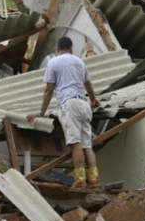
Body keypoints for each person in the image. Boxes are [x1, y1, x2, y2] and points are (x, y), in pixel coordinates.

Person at [29, 36, 102, 189]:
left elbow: (49, 90)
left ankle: (80, 179)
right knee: (87, 145)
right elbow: (88, 84)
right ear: (71, 48)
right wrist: (94, 100)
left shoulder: (53, 62)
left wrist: (42, 112)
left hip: (70, 104)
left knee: (75, 144)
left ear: (58, 49)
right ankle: (94, 180)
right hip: (84, 103)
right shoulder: (79, 61)